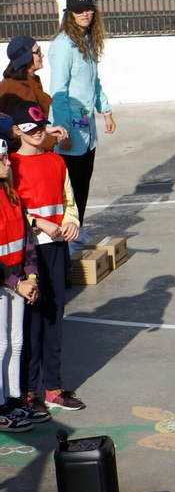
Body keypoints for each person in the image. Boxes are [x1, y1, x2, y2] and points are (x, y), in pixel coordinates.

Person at [12, 104, 81, 412]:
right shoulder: (9, 164)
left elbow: (69, 201)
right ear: (17, 132)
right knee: (31, 323)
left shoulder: (56, 161)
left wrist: (71, 222)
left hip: (55, 249)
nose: (38, 133)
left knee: (53, 318)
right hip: (26, 253)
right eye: (30, 129)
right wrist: (38, 223)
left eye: (41, 127)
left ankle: (53, 388)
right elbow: (10, 210)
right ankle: (27, 391)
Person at [46, 0, 114, 211]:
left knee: (83, 183)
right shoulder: (63, 45)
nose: (85, 14)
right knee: (71, 186)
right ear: (70, 14)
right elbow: (58, 91)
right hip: (70, 128)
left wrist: (105, 110)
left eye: (88, 9)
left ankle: (78, 230)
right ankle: (70, 235)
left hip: (87, 129)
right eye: (78, 11)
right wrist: (62, 130)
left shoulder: (87, 40)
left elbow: (93, 80)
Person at [0, 138, 38, 431]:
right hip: (5, 282)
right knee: (0, 345)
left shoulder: (11, 194)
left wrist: (32, 275)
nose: (8, 162)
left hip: (17, 281)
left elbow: (27, 240)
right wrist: (16, 283)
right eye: (2, 159)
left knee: (16, 341)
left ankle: (13, 398)